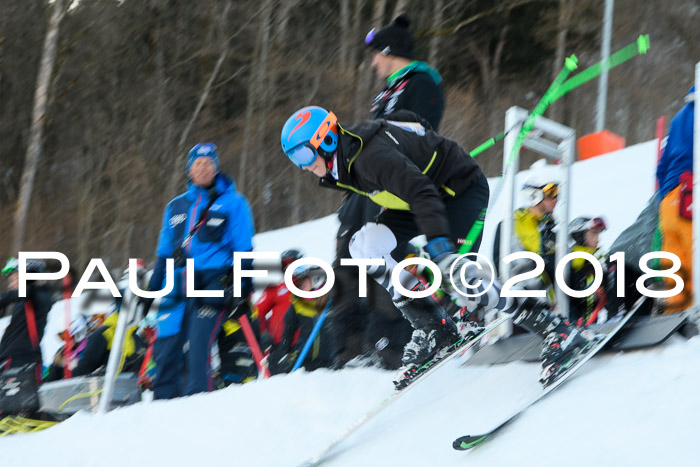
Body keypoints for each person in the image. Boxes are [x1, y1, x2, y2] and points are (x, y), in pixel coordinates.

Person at [280, 106, 592, 384]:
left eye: (304, 155)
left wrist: (441, 250)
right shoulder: (345, 160)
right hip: (417, 200)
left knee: (458, 278)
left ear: (327, 140)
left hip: (458, 191)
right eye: (295, 160)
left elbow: (422, 192)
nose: (303, 166)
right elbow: (410, 122)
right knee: (363, 246)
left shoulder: (368, 156)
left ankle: (555, 329)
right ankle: (434, 325)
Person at [330, 14, 445, 370]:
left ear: (391, 52)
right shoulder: (388, 89)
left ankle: (393, 340)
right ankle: (350, 341)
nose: (374, 61)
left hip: (394, 179)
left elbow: (413, 131)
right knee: (348, 251)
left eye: (377, 54)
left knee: (386, 251)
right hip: (366, 183)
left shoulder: (422, 82)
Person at [142, 143, 255, 399]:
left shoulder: (234, 203)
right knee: (165, 346)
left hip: (215, 279)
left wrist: (241, 289)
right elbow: (163, 256)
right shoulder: (175, 207)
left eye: (208, 163)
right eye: (198, 164)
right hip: (179, 281)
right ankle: (163, 406)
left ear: (216, 168)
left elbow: (244, 251)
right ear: (189, 170)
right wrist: (148, 295)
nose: (203, 168)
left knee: (197, 344)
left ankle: (198, 405)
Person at [656, 85, 695, 313]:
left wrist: (665, 197)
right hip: (690, 193)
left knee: (674, 262)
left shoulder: (679, 116)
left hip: (670, 198)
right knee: (694, 256)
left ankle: (673, 314)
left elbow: (662, 166)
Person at [271, 265, 334, 374]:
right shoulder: (297, 304)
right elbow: (288, 333)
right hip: (304, 360)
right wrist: (286, 354)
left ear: (316, 281)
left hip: (330, 361)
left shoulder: (332, 303)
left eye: (305, 281)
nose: (301, 285)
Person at [0, 258, 52, 388]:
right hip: (12, 360)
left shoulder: (37, 294)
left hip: (19, 361)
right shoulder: (25, 302)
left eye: (14, 279)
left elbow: (22, 293)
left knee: (13, 406)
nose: (11, 285)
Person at [255, 249, 303, 353]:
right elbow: (257, 312)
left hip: (304, 344)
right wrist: (264, 333)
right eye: (285, 265)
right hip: (279, 345)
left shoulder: (309, 288)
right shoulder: (275, 289)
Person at [567, 217, 610, 325]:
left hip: (592, 322)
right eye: (594, 234)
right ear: (579, 236)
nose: (598, 239)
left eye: (598, 234)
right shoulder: (569, 263)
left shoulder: (599, 260)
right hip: (573, 323)